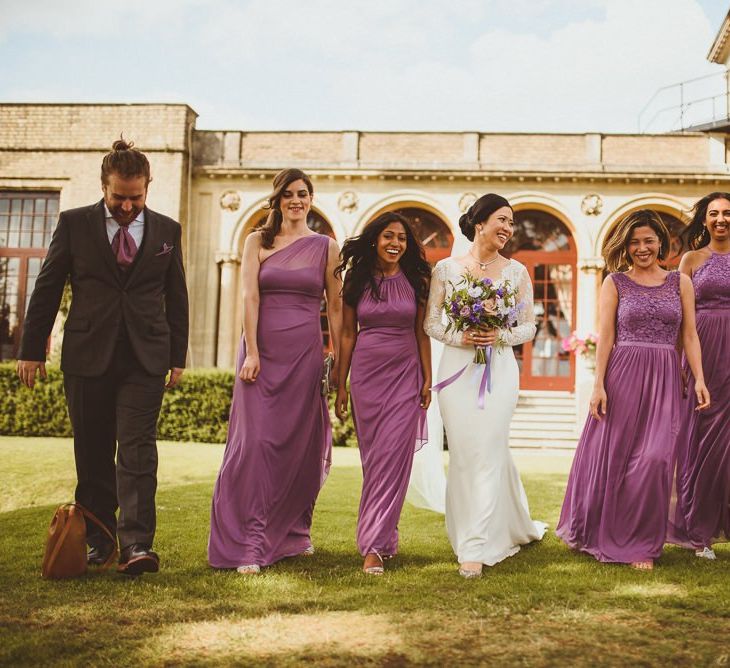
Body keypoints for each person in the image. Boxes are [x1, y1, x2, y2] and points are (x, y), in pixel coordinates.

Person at [17, 138, 189, 575]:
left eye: (136, 197)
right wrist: (32, 349)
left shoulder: (168, 230)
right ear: (103, 187)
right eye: (118, 197)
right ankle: (99, 540)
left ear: (147, 187)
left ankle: (137, 546)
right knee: (92, 452)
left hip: (145, 356)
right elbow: (48, 287)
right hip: (87, 354)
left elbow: (177, 296)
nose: (127, 206)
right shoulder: (74, 224)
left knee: (137, 450)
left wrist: (178, 355)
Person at [556, 209, 710, 570]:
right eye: (635, 242)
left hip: (665, 375)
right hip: (623, 375)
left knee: (655, 459)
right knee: (617, 457)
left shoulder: (679, 283)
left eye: (648, 241)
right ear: (626, 247)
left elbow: (689, 334)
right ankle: (604, 530)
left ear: (661, 243)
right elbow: (606, 335)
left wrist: (699, 378)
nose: (642, 248)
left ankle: (641, 542)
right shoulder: (615, 282)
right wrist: (598, 385)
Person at [208, 168, 341, 574]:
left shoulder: (326, 247)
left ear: (311, 199)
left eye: (303, 194)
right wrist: (252, 351)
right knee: (256, 446)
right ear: (278, 199)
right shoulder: (256, 241)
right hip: (261, 355)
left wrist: (336, 357)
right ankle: (250, 541)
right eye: (289, 194)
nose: (296, 200)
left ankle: (296, 534)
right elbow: (249, 295)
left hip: (304, 353)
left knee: (301, 446)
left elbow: (334, 306)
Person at [424, 193, 546, 579]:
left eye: (511, 222)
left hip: (500, 371)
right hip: (458, 371)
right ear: (479, 223)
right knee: (464, 455)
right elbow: (431, 323)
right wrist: (462, 338)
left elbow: (529, 325)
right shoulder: (445, 269)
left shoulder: (517, 272)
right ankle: (489, 528)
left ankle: (476, 546)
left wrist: (499, 337)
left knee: (490, 450)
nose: (508, 229)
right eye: (502, 220)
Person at [334, 212, 431, 575]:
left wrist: (426, 377)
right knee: (375, 463)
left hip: (405, 375)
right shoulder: (356, 280)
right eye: (389, 236)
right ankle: (385, 538)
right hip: (366, 377)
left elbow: (422, 333)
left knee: (393, 460)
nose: (395, 243)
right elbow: (346, 335)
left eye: (402, 238)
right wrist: (340, 383)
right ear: (375, 239)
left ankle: (373, 546)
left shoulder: (418, 280)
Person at [668, 193, 730, 559]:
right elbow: (680, 319)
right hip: (703, 351)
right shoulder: (691, 260)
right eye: (714, 214)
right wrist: (680, 365)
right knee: (703, 441)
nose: (721, 220)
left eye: (727, 214)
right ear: (704, 221)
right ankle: (699, 530)